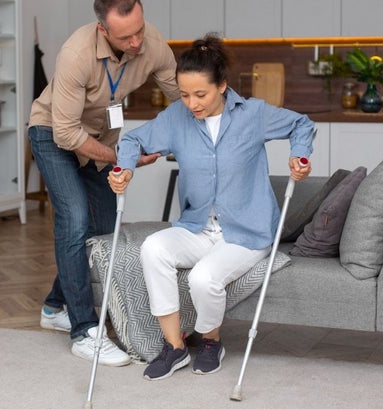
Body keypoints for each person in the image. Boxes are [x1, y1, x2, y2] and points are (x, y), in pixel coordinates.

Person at [108, 33, 314, 380]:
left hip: (246, 231)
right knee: (153, 248)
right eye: (185, 94)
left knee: (203, 278)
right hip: (198, 227)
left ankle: (210, 342)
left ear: (222, 85)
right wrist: (125, 168)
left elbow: (301, 124)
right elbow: (133, 139)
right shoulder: (177, 117)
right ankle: (174, 346)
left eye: (200, 94)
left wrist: (300, 156)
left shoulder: (253, 114)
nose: (192, 103)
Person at [28, 0, 179, 366]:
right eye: (126, 37)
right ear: (103, 30)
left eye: (139, 30)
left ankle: (54, 307)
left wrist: (226, 112)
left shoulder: (152, 43)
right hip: (53, 134)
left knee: (102, 232)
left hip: (100, 137)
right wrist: (122, 158)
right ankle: (84, 331)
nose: (137, 42)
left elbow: (184, 96)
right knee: (75, 219)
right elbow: (66, 133)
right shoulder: (76, 54)